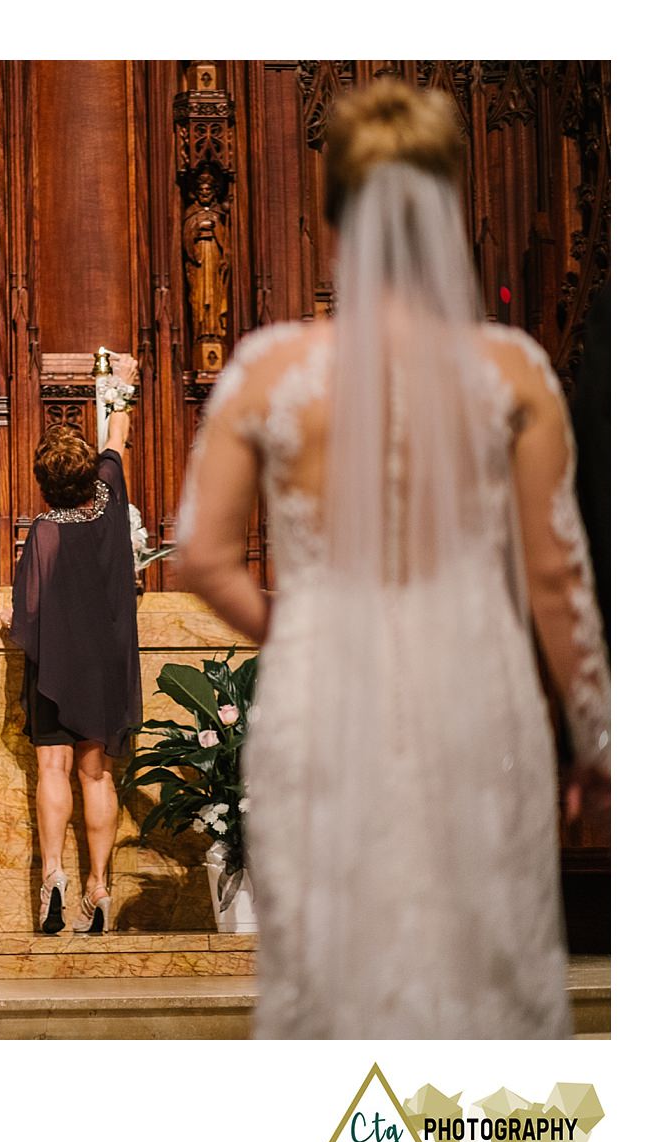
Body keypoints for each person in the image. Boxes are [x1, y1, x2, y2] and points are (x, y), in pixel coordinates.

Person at [175, 80, 610, 1037]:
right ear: (447, 204)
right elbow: (555, 578)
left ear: (330, 206)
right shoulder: (510, 372)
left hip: (322, 692)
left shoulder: (268, 371)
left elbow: (200, 558)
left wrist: (302, 626)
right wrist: (600, 741)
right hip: (476, 697)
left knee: (329, 971)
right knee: (482, 964)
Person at [9, 355, 141, 935]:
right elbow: (118, 430)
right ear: (90, 470)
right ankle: (100, 889)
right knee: (97, 775)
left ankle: (54, 878)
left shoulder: (45, 533)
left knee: (53, 768)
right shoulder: (111, 494)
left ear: (44, 483)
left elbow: (28, 614)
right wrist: (122, 384)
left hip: (58, 670)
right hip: (105, 663)